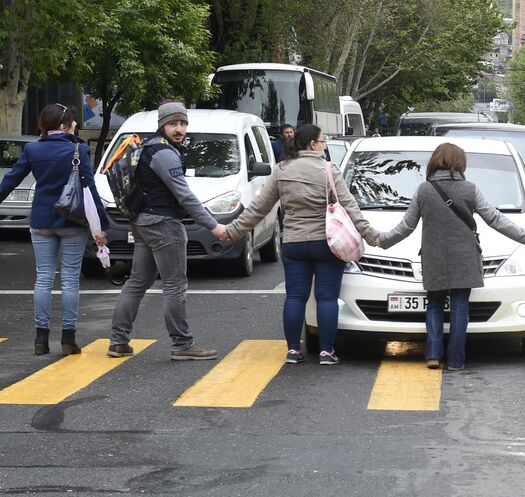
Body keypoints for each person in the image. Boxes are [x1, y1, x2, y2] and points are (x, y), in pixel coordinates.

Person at [217, 124, 378, 365]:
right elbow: (350, 205)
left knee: (295, 297)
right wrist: (371, 235)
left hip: (293, 243)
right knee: (326, 298)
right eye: (323, 142)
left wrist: (232, 231)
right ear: (313, 144)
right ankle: (326, 352)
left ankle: (293, 350)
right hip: (325, 244)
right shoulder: (328, 170)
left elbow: (259, 208)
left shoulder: (282, 170)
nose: (324, 146)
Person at [375, 143, 525, 369]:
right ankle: (456, 360)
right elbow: (495, 219)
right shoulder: (469, 189)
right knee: (460, 306)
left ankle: (432, 354)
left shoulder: (424, 190)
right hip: (465, 257)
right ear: (460, 164)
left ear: (436, 161)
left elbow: (406, 227)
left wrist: (382, 241)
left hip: (434, 257)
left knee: (434, 304)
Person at [108, 101, 225, 361]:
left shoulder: (147, 148)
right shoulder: (165, 154)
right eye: (173, 123)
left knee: (137, 282)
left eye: (183, 123)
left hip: (142, 222)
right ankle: (182, 344)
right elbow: (185, 196)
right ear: (162, 124)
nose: (179, 129)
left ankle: (118, 341)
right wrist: (213, 225)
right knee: (174, 284)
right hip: (164, 224)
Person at [0, 103, 110, 355]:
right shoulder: (78, 149)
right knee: (70, 278)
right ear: (63, 125)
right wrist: (101, 226)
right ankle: (68, 339)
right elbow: (90, 191)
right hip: (72, 221)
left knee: (43, 277)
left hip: (41, 220)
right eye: (72, 122)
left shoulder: (33, 149)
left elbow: (10, 181)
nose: (76, 126)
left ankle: (41, 339)